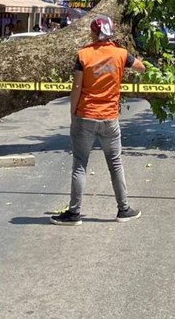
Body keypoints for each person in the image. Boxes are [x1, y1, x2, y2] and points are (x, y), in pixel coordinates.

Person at [52, 15, 146, 226]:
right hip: (110, 118)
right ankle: (124, 209)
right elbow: (140, 67)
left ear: (94, 33)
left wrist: (73, 112)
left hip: (85, 115)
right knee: (115, 164)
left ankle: (74, 213)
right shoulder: (121, 54)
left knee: (80, 165)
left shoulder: (83, 55)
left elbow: (77, 87)